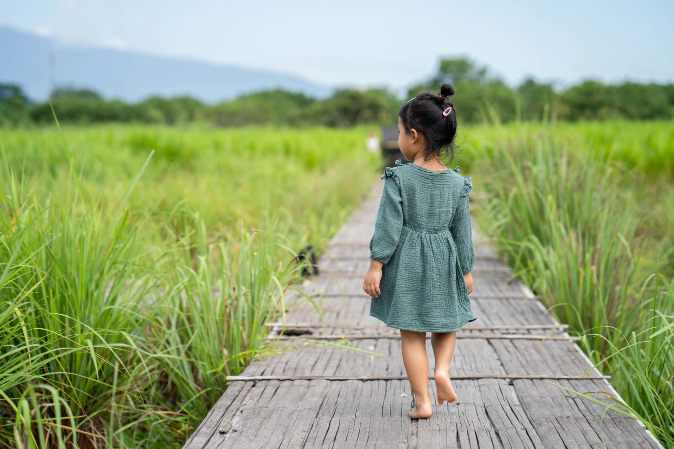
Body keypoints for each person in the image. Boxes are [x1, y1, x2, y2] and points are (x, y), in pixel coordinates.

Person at [362, 83, 475, 420]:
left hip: (407, 261)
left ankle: (423, 401)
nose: (398, 139)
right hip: (445, 258)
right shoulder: (457, 183)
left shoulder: (400, 177)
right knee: (446, 323)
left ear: (414, 135)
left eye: (399, 132)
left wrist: (375, 265)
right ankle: (442, 369)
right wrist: (465, 269)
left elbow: (388, 227)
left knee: (411, 334)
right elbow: (462, 232)